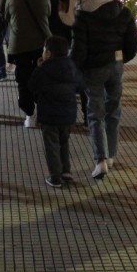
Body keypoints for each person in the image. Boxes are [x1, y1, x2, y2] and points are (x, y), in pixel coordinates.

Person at [71, 0, 137, 180]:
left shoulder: (84, 13)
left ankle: (100, 160)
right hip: (115, 65)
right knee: (113, 110)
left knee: (95, 112)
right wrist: (120, 58)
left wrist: (76, 67)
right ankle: (111, 155)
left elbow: (78, 48)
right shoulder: (123, 12)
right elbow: (133, 43)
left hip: (93, 67)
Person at [28, 35, 87, 188]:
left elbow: (32, 85)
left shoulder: (44, 69)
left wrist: (39, 67)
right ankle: (66, 171)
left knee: (51, 145)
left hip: (49, 114)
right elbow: (81, 85)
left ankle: (55, 177)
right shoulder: (71, 66)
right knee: (64, 141)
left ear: (48, 53)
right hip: (68, 113)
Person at [4, 0, 51, 128]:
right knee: (41, 77)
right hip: (41, 42)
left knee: (23, 80)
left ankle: (29, 114)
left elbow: (5, 15)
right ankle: (43, 110)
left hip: (19, 44)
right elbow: (48, 12)